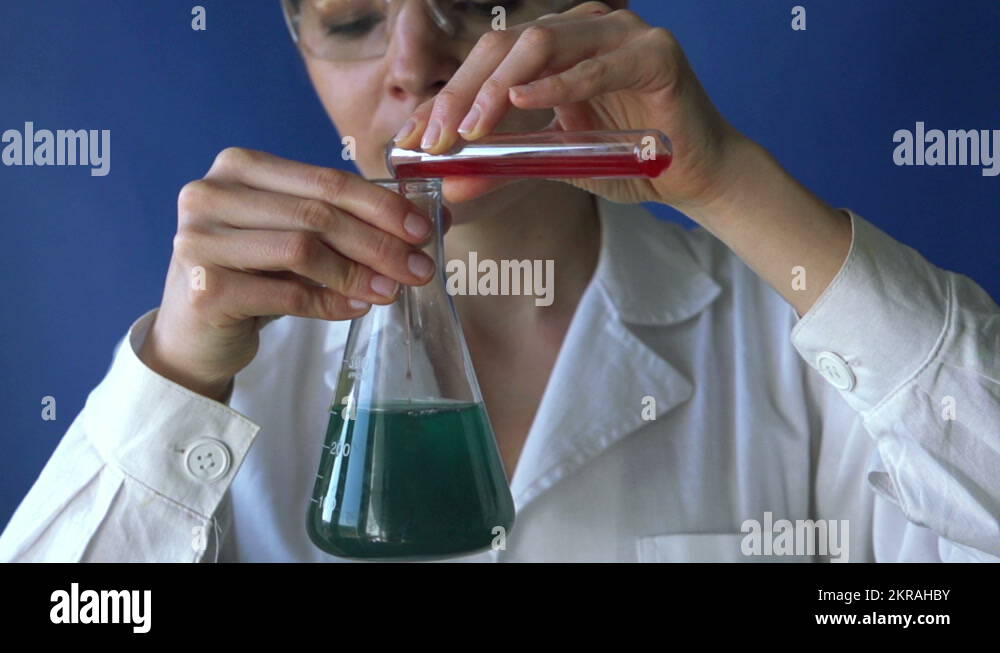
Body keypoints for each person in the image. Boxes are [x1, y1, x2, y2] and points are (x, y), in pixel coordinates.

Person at [1, 0, 997, 563]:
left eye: (477, 4)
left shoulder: (794, 345)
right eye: (350, 18)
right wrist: (174, 381)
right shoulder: (222, 370)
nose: (415, 66)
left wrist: (728, 180)